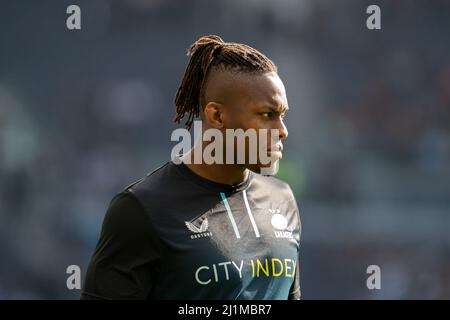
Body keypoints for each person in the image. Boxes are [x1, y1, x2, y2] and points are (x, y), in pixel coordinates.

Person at [81, 35, 301, 300]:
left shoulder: (282, 198)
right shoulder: (141, 210)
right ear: (217, 116)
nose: (282, 131)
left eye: (283, 115)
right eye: (267, 115)